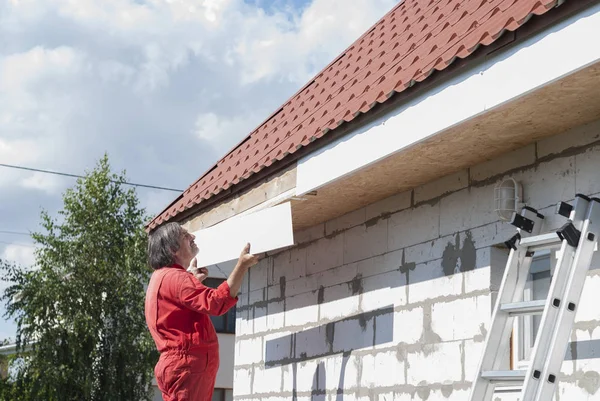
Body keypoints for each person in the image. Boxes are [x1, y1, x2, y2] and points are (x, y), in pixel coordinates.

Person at [145, 222, 258, 401]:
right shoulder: (177, 278)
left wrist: (191, 280)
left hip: (181, 366)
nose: (193, 237)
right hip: (187, 366)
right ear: (174, 249)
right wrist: (242, 265)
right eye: (185, 236)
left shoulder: (163, 277)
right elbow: (217, 303)